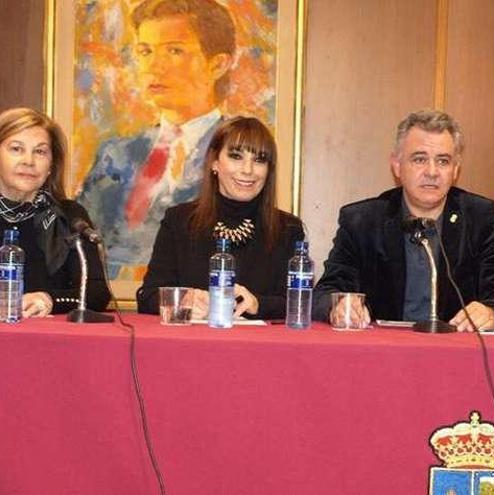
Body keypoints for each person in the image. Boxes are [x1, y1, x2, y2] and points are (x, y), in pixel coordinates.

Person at [313, 110, 494, 331]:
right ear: (397, 165)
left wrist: (493, 312)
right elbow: (324, 293)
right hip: (384, 351)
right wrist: (339, 304)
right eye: (419, 159)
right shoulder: (363, 221)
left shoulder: (480, 218)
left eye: (443, 161)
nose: (432, 172)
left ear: (455, 169)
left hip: (456, 351)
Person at [78, 0, 236, 278]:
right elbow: (83, 240)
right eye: (145, 51)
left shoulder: (235, 154)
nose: (154, 66)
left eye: (174, 51)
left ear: (218, 64)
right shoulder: (116, 153)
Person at [136, 116, 305, 320]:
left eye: (259, 160)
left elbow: (300, 303)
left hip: (261, 348)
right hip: (192, 346)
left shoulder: (287, 229)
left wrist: (258, 303)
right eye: (236, 156)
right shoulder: (179, 221)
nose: (248, 170)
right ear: (214, 163)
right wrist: (183, 299)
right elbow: (147, 297)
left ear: (269, 170)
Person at [0, 108, 110, 317]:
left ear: (51, 165)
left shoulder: (69, 216)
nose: (29, 161)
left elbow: (97, 293)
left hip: (49, 344)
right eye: (16, 149)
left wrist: (50, 299)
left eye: (40, 152)